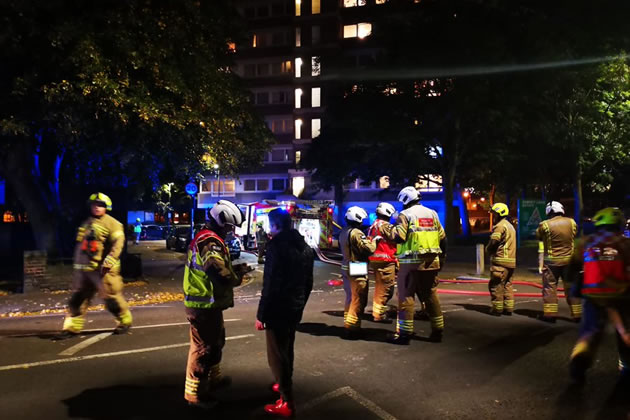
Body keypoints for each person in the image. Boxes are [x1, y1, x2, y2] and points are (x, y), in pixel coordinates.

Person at [183, 200, 252, 409]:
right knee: (204, 348)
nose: (231, 231)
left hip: (208, 304)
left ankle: (213, 379)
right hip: (203, 305)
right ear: (221, 221)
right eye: (230, 226)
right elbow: (218, 272)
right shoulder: (210, 242)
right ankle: (195, 395)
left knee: (216, 342)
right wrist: (237, 278)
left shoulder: (209, 239)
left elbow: (216, 268)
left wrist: (236, 269)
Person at [256, 209, 314, 418]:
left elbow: (270, 283)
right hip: (294, 307)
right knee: (287, 348)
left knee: (277, 355)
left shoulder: (276, 247)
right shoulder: (305, 247)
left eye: (270, 225)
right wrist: (300, 304)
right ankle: (283, 382)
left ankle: (286, 400)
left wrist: (261, 314)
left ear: (276, 225)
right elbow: (309, 283)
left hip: (277, 308)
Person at [568, 207, 630, 385]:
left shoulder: (586, 242)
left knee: (590, 331)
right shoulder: (626, 243)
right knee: (624, 333)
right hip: (621, 295)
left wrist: (573, 288)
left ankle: (579, 361)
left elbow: (572, 268)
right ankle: (626, 368)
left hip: (593, 295)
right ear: (619, 224)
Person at [59, 193, 131, 337]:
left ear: (106, 207)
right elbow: (81, 248)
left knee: (112, 299)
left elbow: (117, 246)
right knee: (78, 300)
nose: (97, 208)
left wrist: (108, 263)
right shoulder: (87, 223)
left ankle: (125, 321)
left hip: (103, 272)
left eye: (100, 205)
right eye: (94, 205)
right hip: (86, 271)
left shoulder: (113, 224)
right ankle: (72, 328)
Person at [388, 187, 446, 344]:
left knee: (406, 296)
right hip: (431, 262)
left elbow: (399, 237)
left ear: (406, 200)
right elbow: (442, 237)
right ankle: (438, 331)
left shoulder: (405, 215)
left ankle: (405, 334)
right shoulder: (432, 214)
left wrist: (390, 230)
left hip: (410, 264)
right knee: (431, 295)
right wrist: (442, 259)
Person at [536, 201, 581, 322]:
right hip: (569, 261)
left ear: (549, 211)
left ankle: (550, 315)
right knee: (571, 287)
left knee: (550, 287)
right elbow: (574, 235)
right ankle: (577, 314)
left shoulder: (544, 225)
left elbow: (539, 237)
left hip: (552, 263)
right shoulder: (572, 222)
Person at [339, 206, 378, 339]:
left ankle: (348, 323)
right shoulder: (356, 233)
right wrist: (374, 241)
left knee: (350, 297)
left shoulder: (344, 231)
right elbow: (369, 249)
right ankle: (353, 328)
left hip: (346, 266)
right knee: (359, 298)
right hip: (357, 267)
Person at [368, 202, 398, 322]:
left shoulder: (373, 225)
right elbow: (397, 237)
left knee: (381, 288)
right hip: (385, 260)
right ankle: (379, 315)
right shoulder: (385, 226)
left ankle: (378, 312)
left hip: (376, 259)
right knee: (385, 289)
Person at [485, 203, 517, 316]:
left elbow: (494, 241)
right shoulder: (510, 226)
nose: (493, 216)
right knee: (507, 285)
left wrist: (488, 249)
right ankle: (508, 308)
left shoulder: (500, 226)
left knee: (496, 286)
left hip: (500, 262)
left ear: (499, 214)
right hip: (511, 262)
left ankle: (497, 309)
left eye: (494, 214)